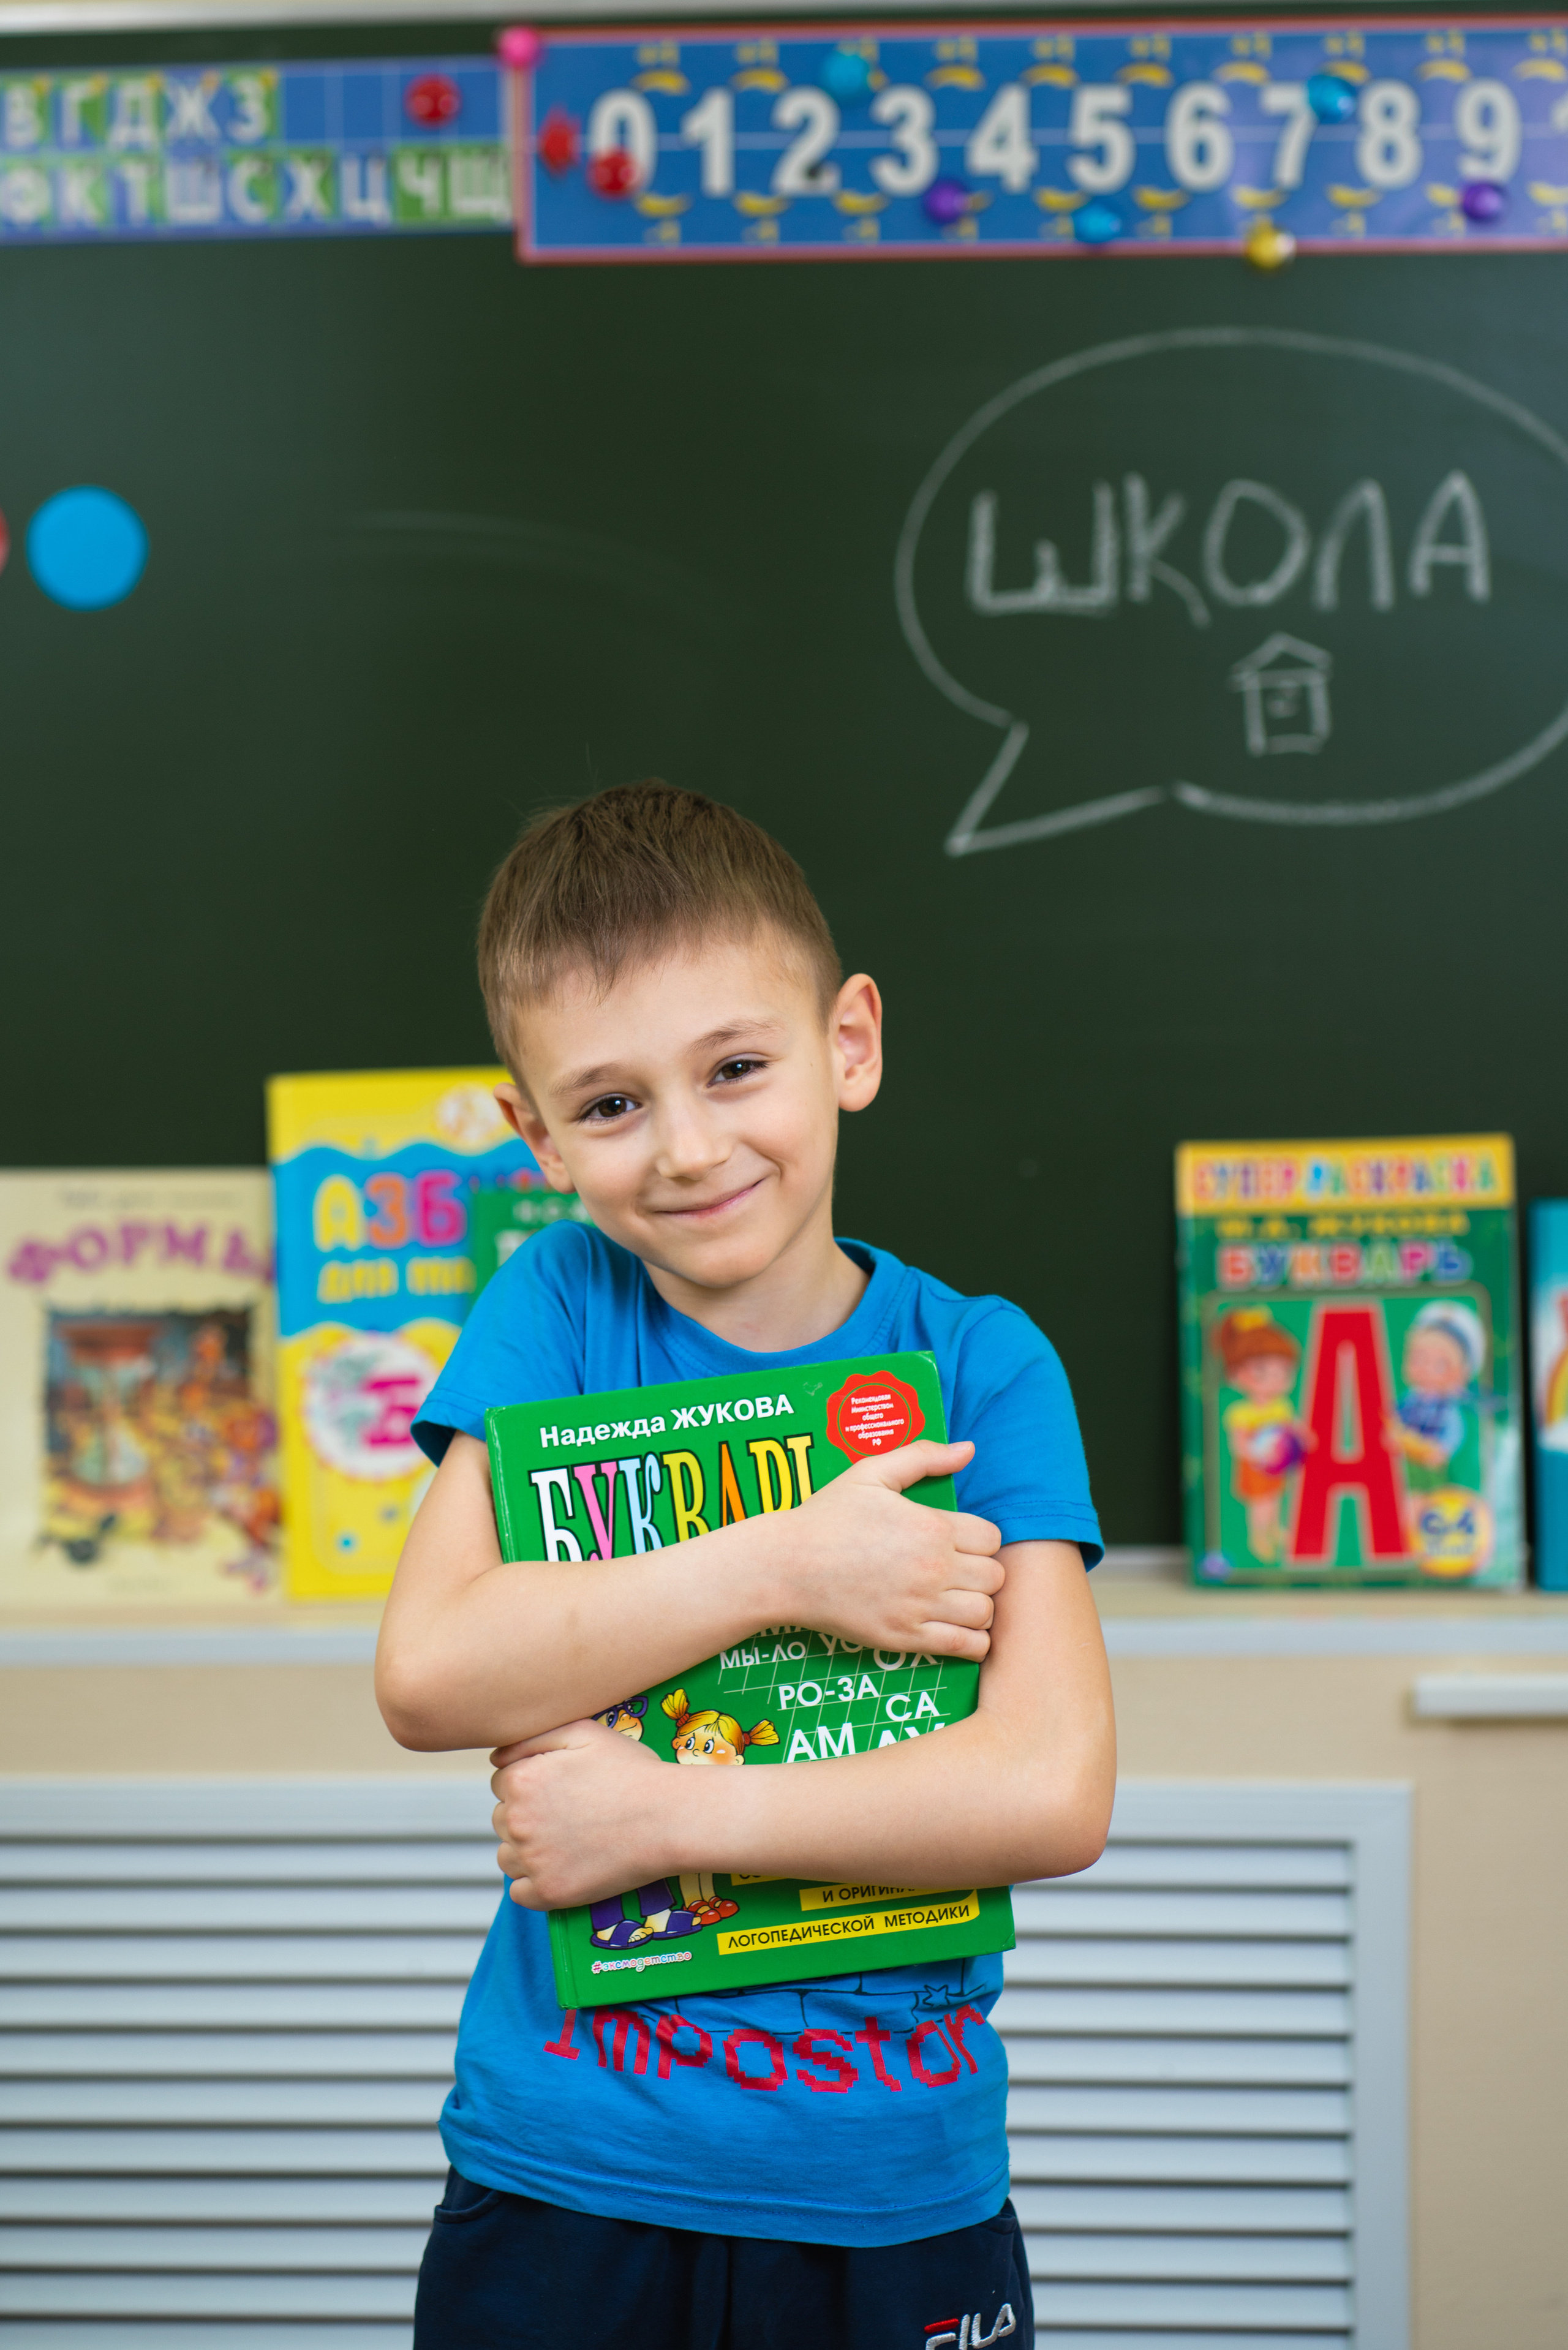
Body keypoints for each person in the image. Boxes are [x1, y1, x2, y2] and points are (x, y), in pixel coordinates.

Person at [376, 782, 1115, 2349]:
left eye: (733, 1068)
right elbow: (430, 1674)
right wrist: (787, 1561)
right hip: (569, 2174)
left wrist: (669, 1814)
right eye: (609, 1103)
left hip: (893, 2185)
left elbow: (1050, 1788)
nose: (689, 1148)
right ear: (534, 1134)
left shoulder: (977, 1365)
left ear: (846, 1044)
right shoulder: (558, 1312)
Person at [1214, 1307, 1310, 1565]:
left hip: (1278, 1464)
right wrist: (1257, 1452)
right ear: (1236, 1375)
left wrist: (1303, 1436)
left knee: (1275, 1498)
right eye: (1262, 1372)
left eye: (1283, 1372)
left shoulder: (1281, 1406)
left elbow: (1291, 1425)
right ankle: (1258, 1536)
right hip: (1255, 1467)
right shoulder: (1241, 1412)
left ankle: (1274, 1530)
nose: (1275, 1380)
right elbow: (1238, 1443)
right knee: (1259, 1504)